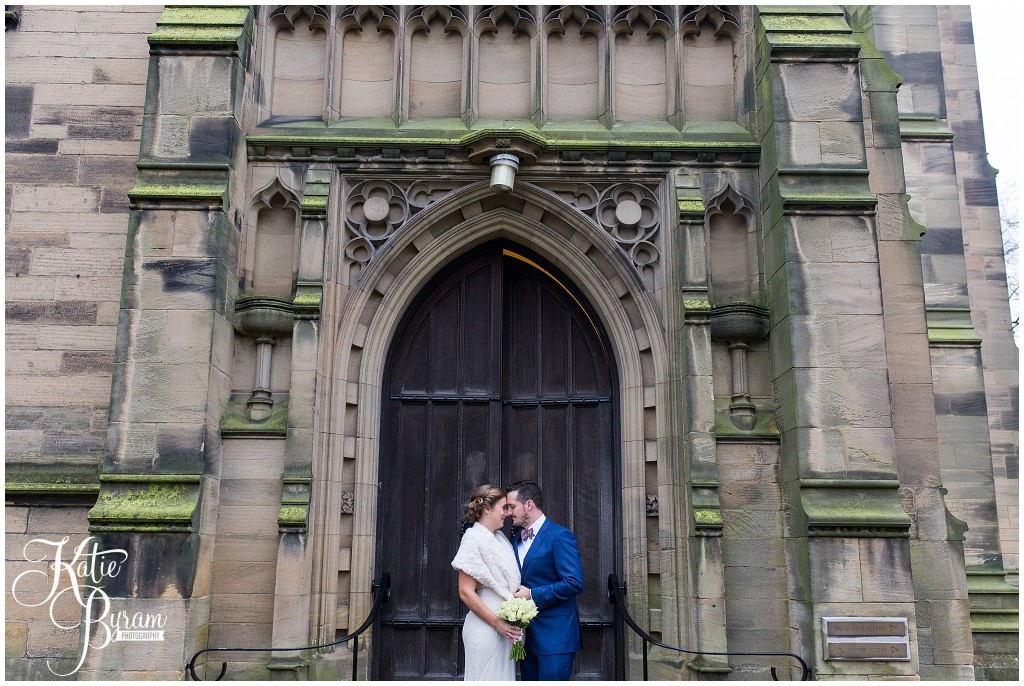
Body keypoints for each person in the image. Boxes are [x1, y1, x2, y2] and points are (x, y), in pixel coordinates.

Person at [505, 480, 584, 681]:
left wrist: (531, 594)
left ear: (529, 505)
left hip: (555, 638)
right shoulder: (515, 541)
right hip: (526, 639)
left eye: (512, 506)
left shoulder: (560, 536)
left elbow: (574, 582)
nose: (508, 512)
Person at [451, 485, 523, 681]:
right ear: (487, 509)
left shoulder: (500, 539)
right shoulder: (473, 539)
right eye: (503, 508)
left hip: (504, 630)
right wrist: (497, 623)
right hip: (485, 628)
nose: (507, 513)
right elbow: (466, 592)